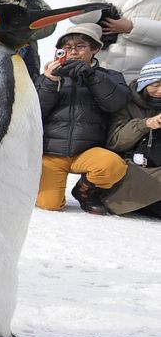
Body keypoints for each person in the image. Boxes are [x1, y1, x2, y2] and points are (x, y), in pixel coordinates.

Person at [35, 24, 132, 214]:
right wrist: (49, 82)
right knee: (49, 205)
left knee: (113, 166)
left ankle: (85, 190)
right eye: (67, 48)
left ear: (95, 48)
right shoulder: (48, 77)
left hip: (87, 152)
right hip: (51, 153)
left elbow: (116, 103)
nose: (73, 52)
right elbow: (35, 111)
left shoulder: (110, 76)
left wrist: (91, 75)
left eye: (80, 47)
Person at [101, 57, 161, 218]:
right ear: (144, 83)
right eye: (155, 85)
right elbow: (114, 142)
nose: (160, 90)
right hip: (132, 170)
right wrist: (145, 124)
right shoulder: (126, 102)